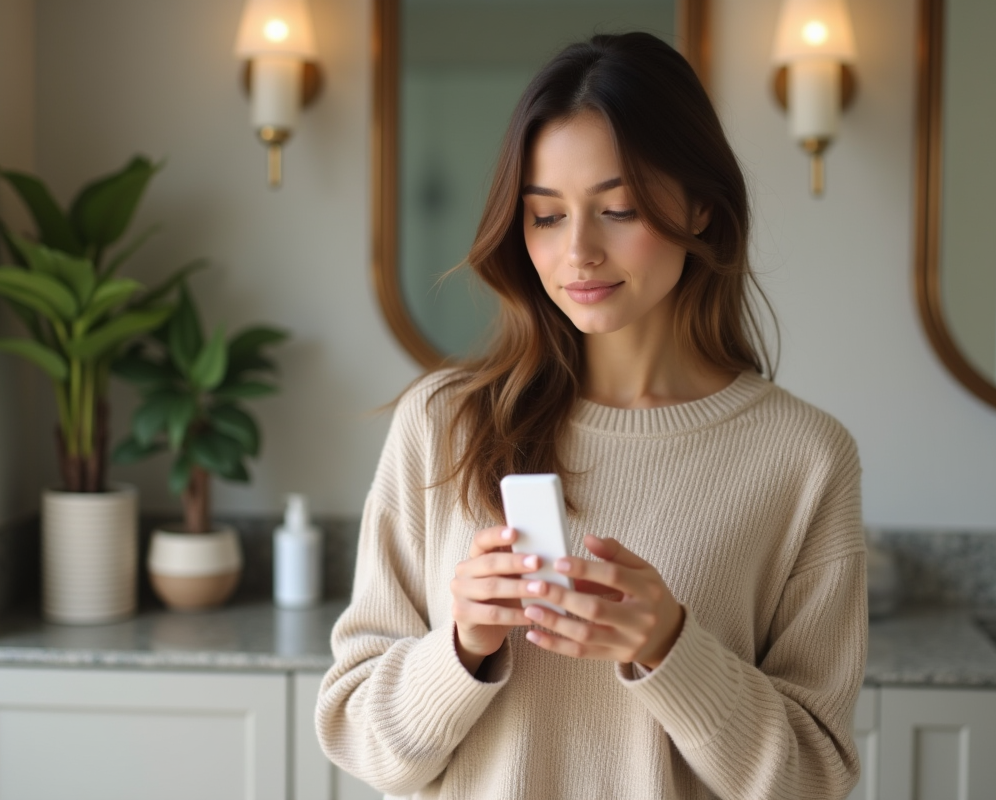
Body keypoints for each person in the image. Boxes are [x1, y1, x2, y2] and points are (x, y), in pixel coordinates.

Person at [316, 32, 866, 800]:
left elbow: (813, 777)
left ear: (702, 209)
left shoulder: (804, 457)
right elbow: (355, 734)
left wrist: (672, 649)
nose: (578, 251)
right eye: (546, 216)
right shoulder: (443, 423)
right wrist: (462, 647)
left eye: (618, 209)